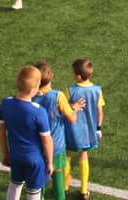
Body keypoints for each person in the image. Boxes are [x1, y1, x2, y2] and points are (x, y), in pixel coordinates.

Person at [0, 65, 54, 200]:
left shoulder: (5, 103)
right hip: (35, 160)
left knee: (15, 185)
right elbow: (47, 140)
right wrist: (50, 162)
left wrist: (5, 154)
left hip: (15, 156)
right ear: (32, 90)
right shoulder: (39, 111)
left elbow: (0, 131)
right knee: (34, 191)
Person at [32, 60, 86, 200]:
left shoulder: (30, 97)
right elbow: (72, 119)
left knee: (40, 181)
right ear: (52, 76)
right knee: (58, 181)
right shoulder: (57, 96)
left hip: (37, 146)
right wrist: (74, 108)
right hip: (56, 146)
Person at [65, 59, 105, 200]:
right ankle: (83, 191)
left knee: (67, 156)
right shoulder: (97, 90)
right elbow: (100, 112)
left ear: (78, 76)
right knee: (83, 156)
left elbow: (65, 109)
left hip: (71, 129)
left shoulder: (70, 90)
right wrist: (98, 128)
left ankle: (64, 187)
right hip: (88, 131)